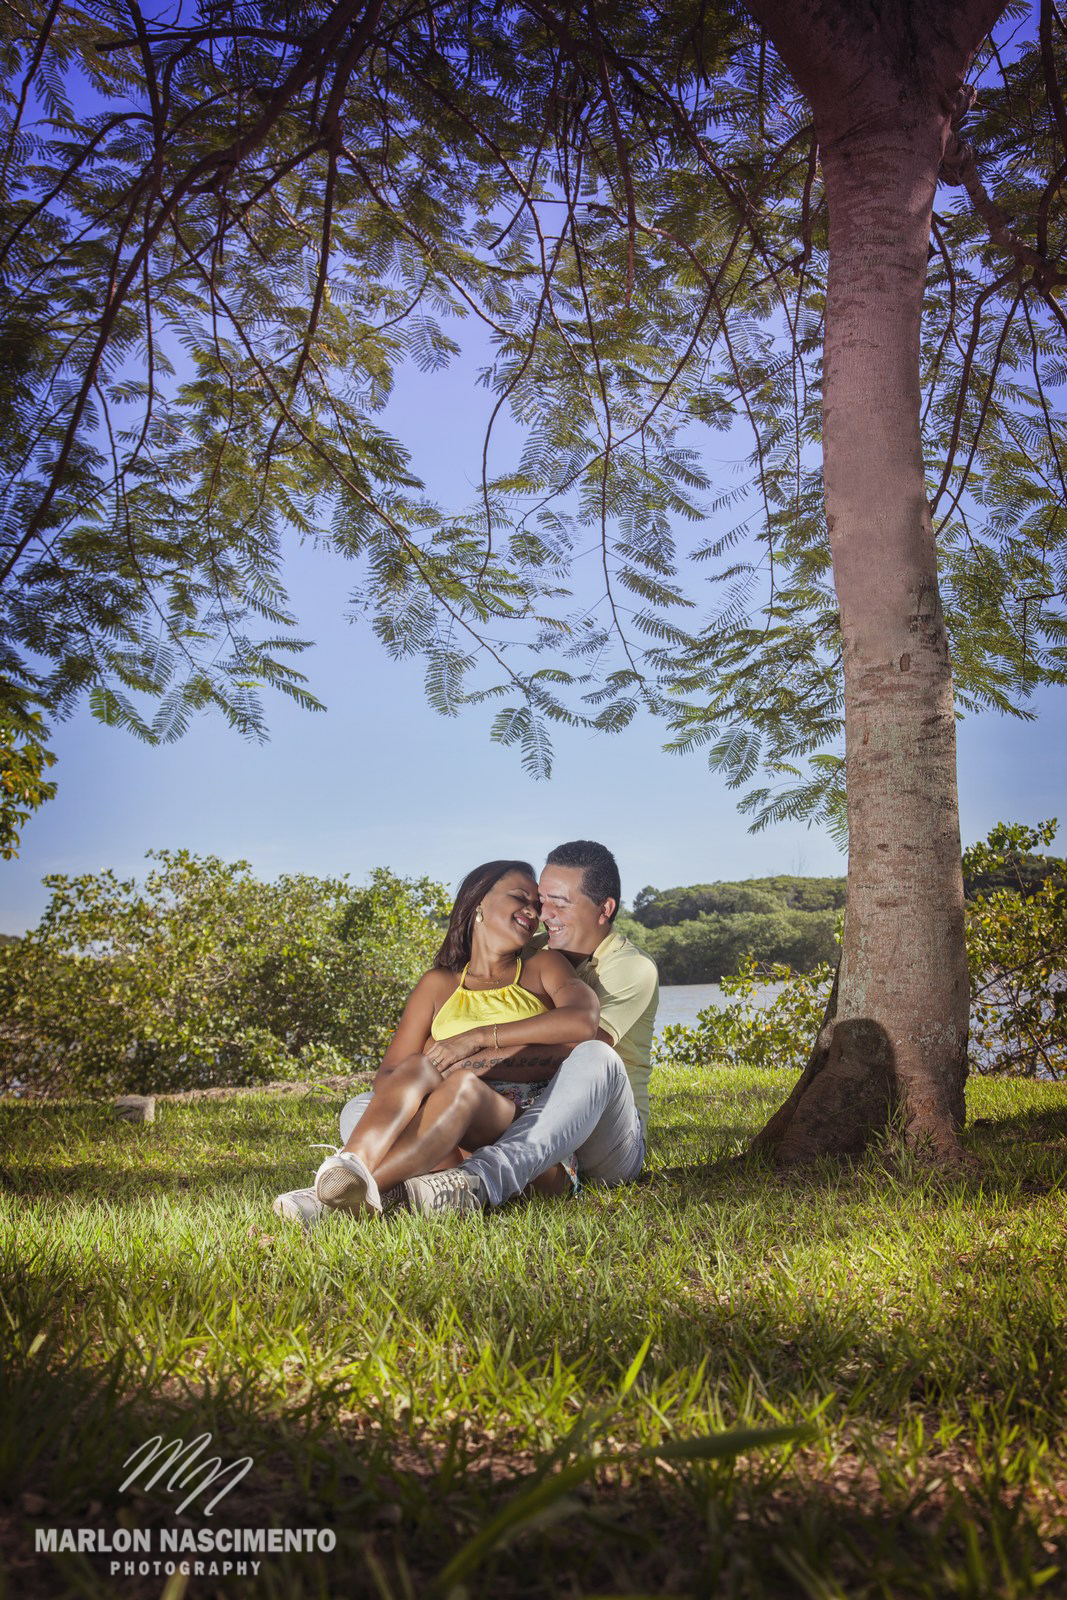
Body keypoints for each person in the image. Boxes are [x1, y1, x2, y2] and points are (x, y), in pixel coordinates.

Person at [274, 859, 600, 1223]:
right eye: (520, 897)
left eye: (536, 906)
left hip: (530, 1152)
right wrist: (433, 1081)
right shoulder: (438, 985)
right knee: (415, 1068)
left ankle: (330, 1201)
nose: (532, 911)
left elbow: (583, 1019)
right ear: (478, 901)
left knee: (461, 1085)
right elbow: (390, 1077)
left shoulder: (544, 966)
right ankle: (351, 1167)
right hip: (448, 1143)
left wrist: (476, 1040)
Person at [399, 839, 659, 1215]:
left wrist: (469, 1049)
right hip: (526, 1113)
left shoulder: (631, 968)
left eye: (560, 903)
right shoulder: (534, 952)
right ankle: (378, 1176)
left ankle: (476, 1181)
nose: (543, 913)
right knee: (363, 1109)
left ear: (605, 909)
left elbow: (570, 1051)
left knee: (594, 1055)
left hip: (605, 1143)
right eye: (541, 900)